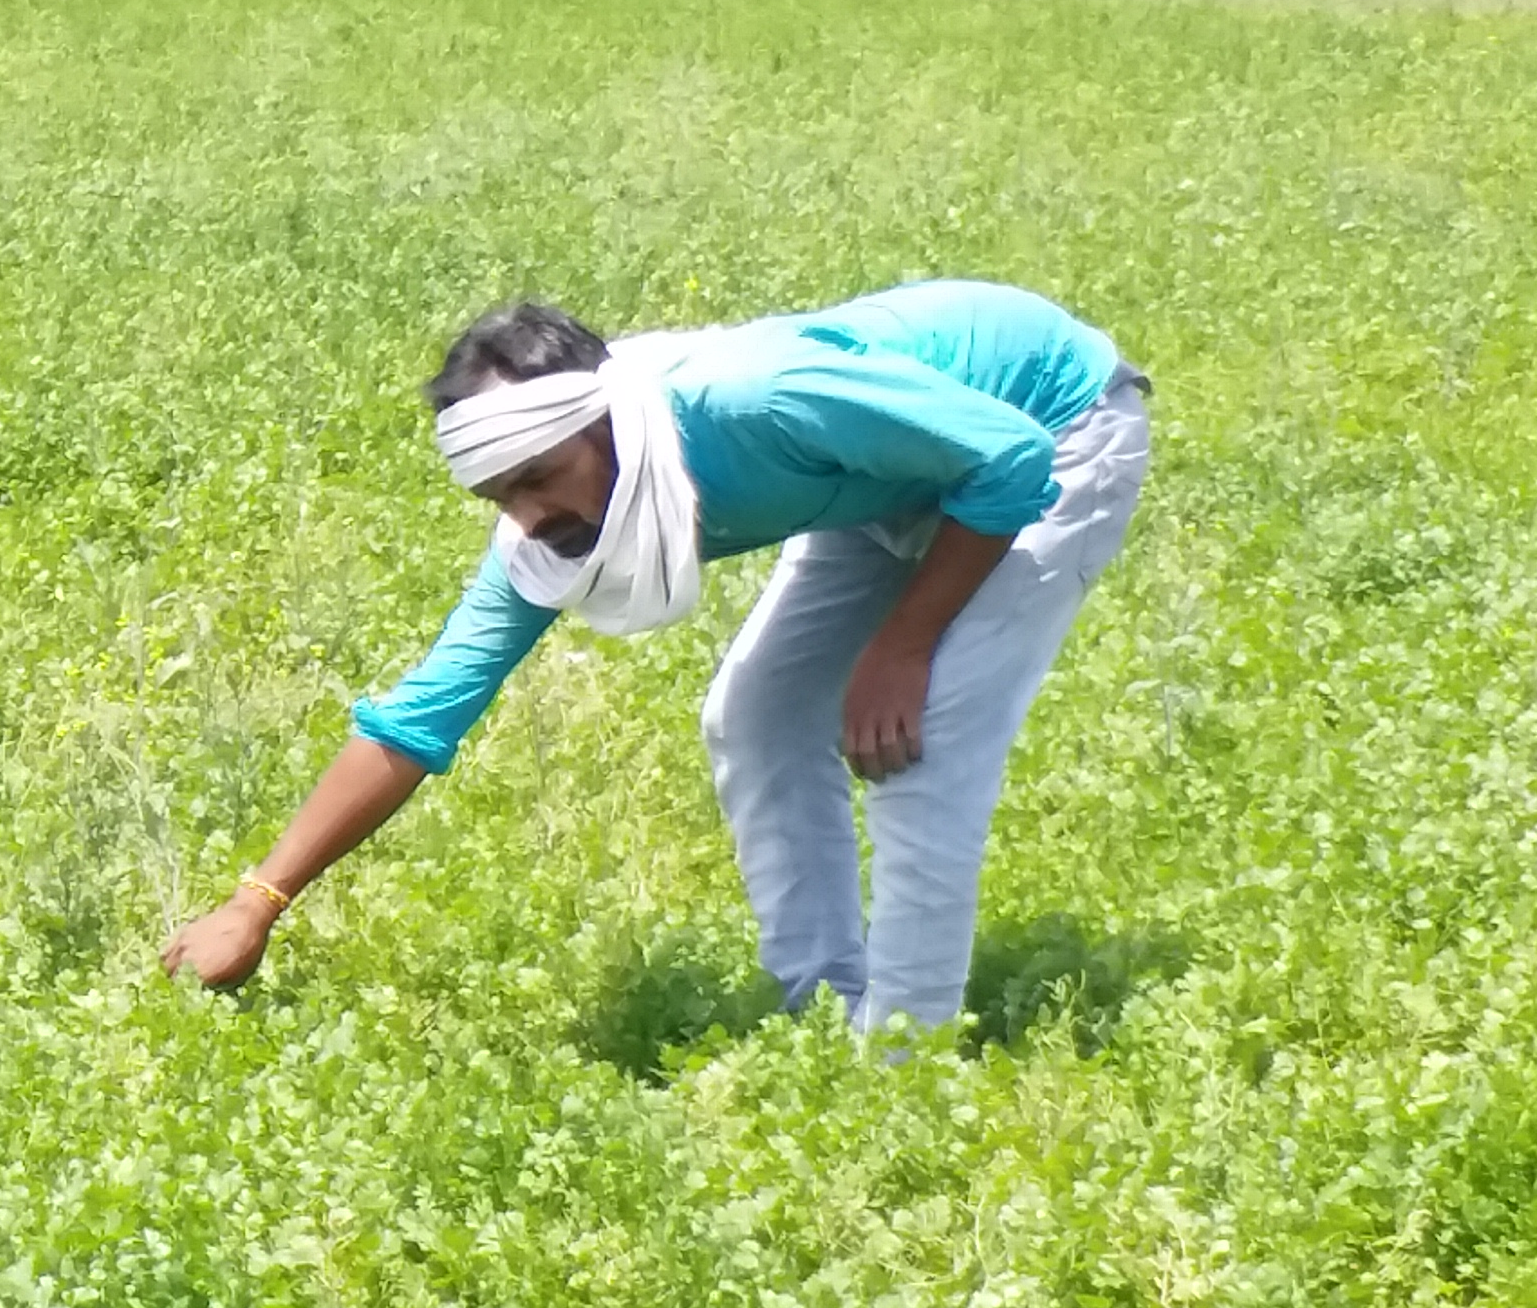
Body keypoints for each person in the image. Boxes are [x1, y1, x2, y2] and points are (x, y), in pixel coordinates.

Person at [161, 280, 1150, 1036]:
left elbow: (1006, 458)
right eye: (501, 497)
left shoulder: (757, 403)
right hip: (879, 478)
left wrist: (906, 642)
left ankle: (904, 1060)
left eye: (542, 480)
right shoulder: (548, 528)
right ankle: (823, 1013)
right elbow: (424, 716)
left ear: (603, 425)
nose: (532, 521)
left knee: (919, 732)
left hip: (1051, 425)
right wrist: (258, 903)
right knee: (754, 717)